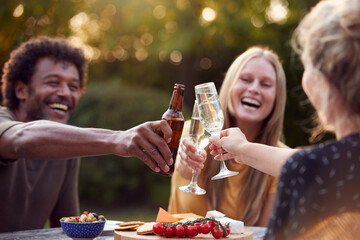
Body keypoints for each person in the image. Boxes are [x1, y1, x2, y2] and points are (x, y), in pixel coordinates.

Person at [210, 0, 360, 238]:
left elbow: (312, 165)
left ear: (321, 82)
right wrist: (243, 149)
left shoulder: (305, 170)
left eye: (306, 66)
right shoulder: (315, 166)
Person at [0, 36, 174, 233]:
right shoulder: (2, 120)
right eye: (53, 82)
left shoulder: (67, 148)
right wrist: (116, 139)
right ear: (22, 90)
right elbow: (20, 139)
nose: (66, 93)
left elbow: (66, 231)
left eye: (73, 87)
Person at [168, 46, 287, 227]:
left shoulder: (278, 159)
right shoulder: (192, 131)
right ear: (230, 84)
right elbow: (183, 169)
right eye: (246, 79)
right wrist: (186, 163)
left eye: (266, 84)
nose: (254, 89)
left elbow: (262, 235)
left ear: (277, 96)